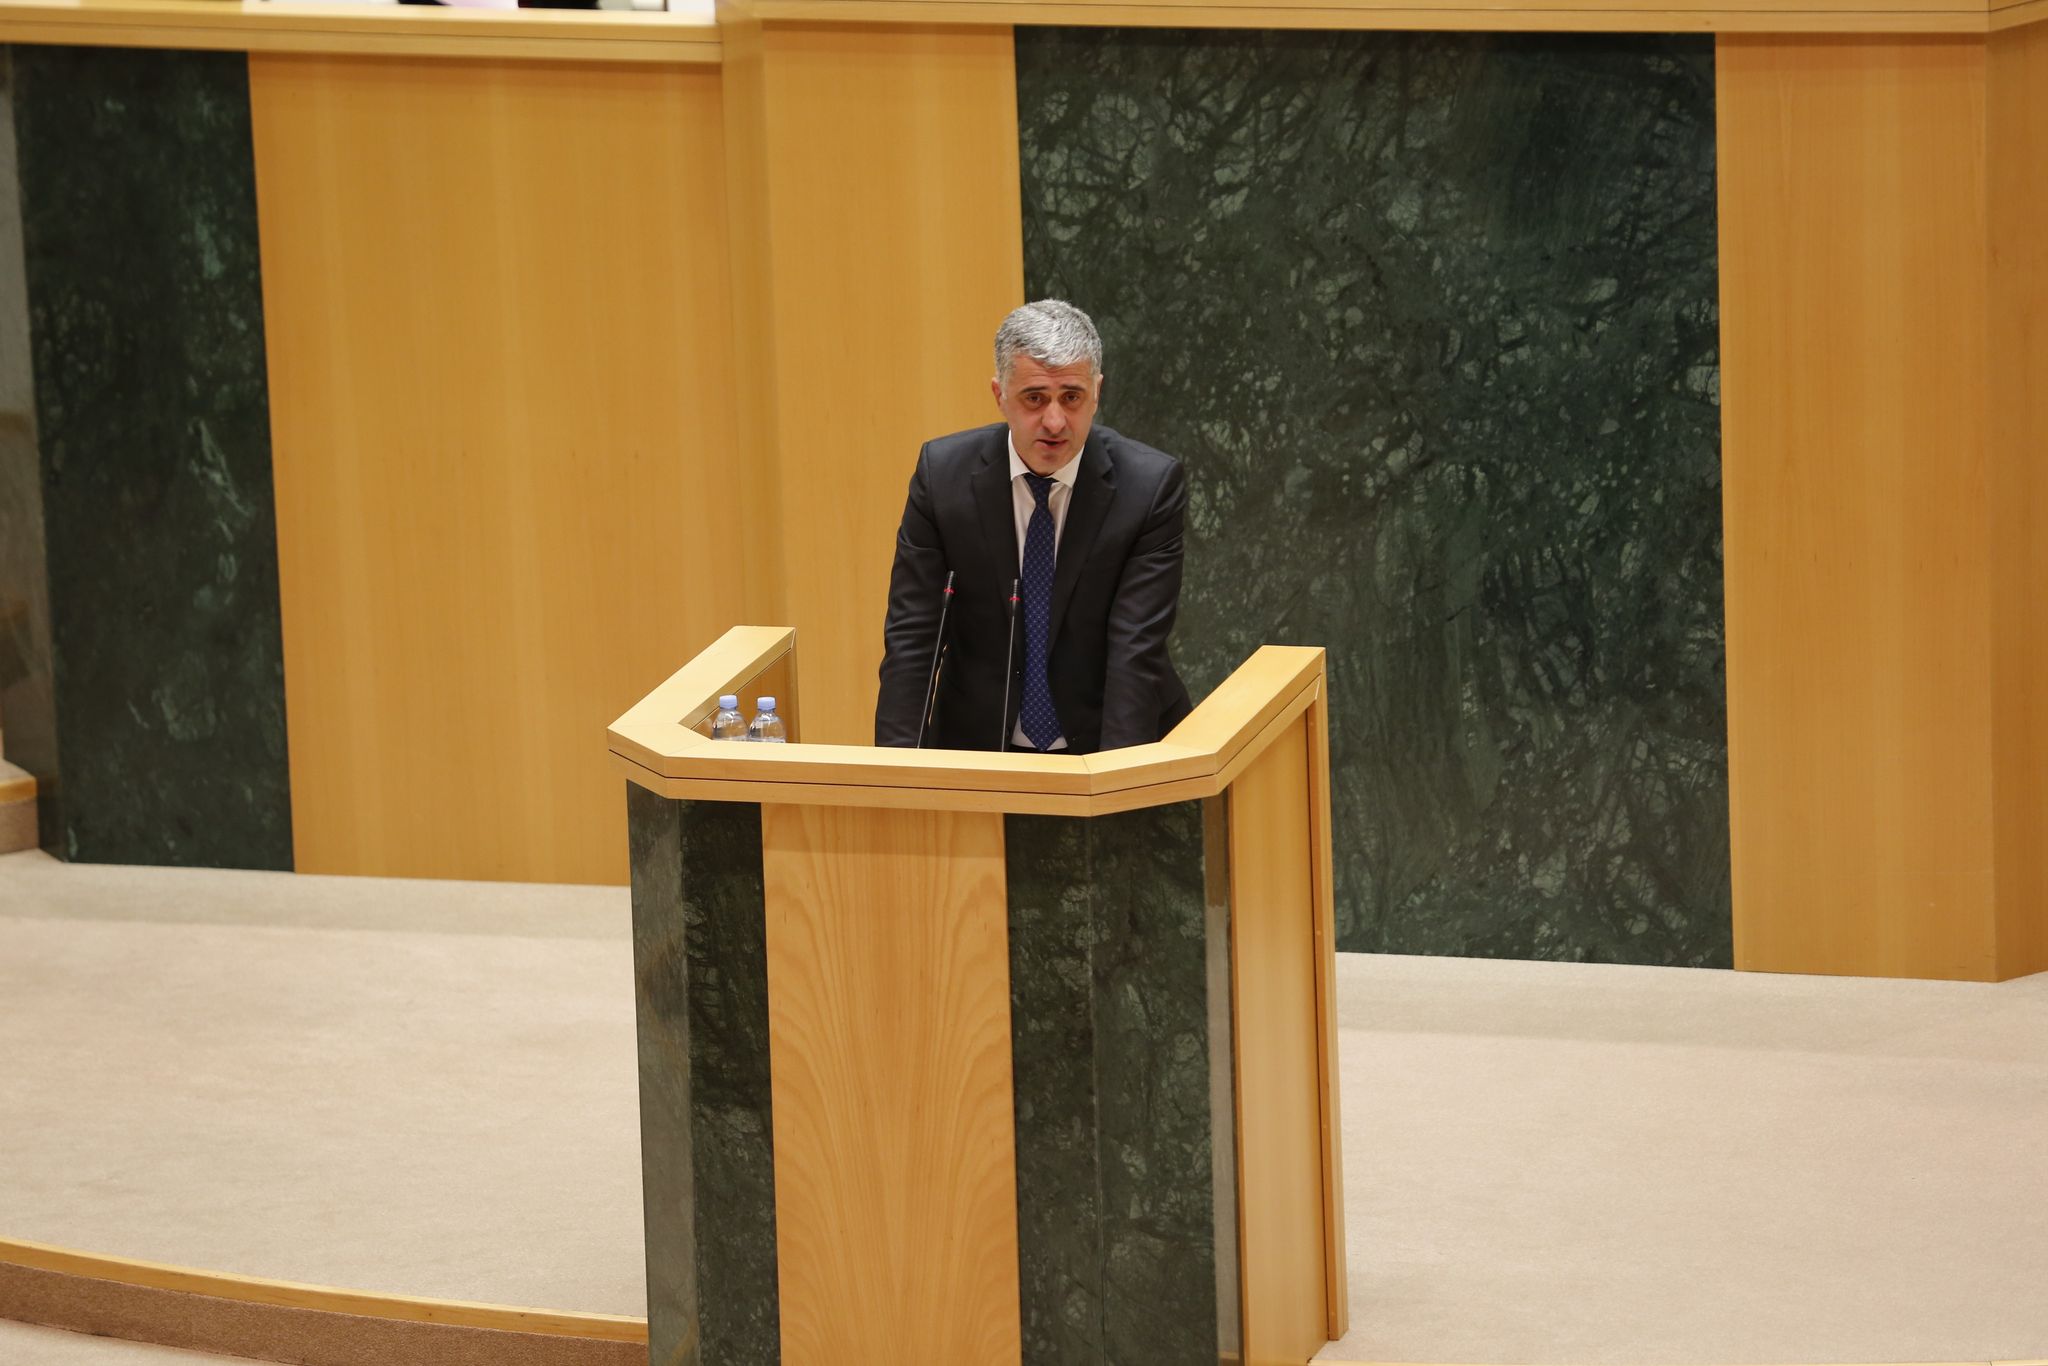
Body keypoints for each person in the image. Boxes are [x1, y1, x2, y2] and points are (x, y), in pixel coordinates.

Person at [875, 300, 1192, 754]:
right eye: (1035, 398)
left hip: (1109, 742)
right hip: (979, 746)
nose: (1055, 421)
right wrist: (897, 774)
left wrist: (1119, 782)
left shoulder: (1148, 488)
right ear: (999, 395)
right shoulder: (942, 478)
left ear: (1097, 392)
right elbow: (913, 638)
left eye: (1072, 397)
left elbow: (1135, 652)